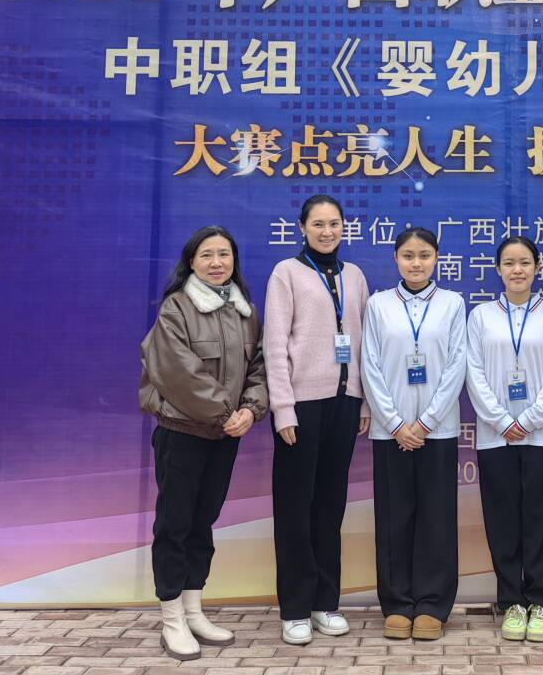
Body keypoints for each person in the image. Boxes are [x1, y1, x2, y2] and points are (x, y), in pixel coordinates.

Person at [139, 226, 268, 661]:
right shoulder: (176, 308)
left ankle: (194, 610)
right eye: (207, 255)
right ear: (191, 262)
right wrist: (225, 412)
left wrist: (250, 409)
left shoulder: (245, 311)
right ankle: (171, 617)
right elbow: (178, 372)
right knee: (174, 525)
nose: (217, 263)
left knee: (203, 522)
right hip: (182, 433)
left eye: (224, 254)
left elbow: (259, 367)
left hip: (224, 435)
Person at [263, 195, 371, 645]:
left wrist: (363, 402)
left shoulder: (354, 276)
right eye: (318, 224)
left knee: (330, 506)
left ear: (344, 227)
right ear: (302, 228)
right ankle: (295, 608)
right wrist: (283, 407)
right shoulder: (286, 273)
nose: (327, 232)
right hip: (301, 407)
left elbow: (363, 342)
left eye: (334, 224)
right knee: (295, 508)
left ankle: (326, 602)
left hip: (345, 403)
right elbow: (274, 345)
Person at [360, 227, 468, 640]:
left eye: (424, 255)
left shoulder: (453, 304)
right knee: (394, 518)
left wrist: (425, 423)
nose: (416, 263)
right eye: (408, 255)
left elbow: (457, 364)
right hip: (391, 432)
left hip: (436, 431)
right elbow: (370, 365)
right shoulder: (379, 305)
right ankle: (397, 603)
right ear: (396, 259)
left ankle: (432, 604)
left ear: (437, 258)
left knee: (436, 518)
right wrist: (395, 423)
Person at [466, 236, 543, 643]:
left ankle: (542, 603)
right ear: (498, 269)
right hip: (495, 438)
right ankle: (510, 601)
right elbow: (473, 373)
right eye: (509, 263)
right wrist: (500, 419)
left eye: (525, 262)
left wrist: (528, 420)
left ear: (537, 267)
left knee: (542, 521)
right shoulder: (480, 316)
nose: (517, 270)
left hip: (541, 436)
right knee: (502, 520)